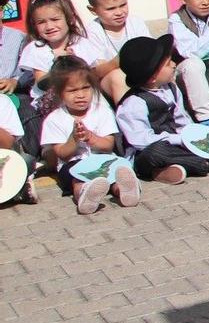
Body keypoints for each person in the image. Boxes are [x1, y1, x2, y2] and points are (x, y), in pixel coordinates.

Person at [113, 35, 209, 184]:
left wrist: (191, 136)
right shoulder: (133, 104)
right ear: (152, 77)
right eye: (168, 64)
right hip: (146, 151)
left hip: (174, 143)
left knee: (204, 140)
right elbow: (141, 141)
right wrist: (176, 139)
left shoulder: (171, 88)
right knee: (155, 153)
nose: (174, 64)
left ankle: (174, 168)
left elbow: (182, 118)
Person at [37, 55, 139, 215]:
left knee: (114, 173)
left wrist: (91, 138)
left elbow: (108, 145)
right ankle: (85, 196)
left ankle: (124, 190)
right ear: (59, 93)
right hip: (73, 164)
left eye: (85, 88)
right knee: (78, 180)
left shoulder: (102, 111)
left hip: (102, 159)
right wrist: (74, 139)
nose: (80, 95)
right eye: (72, 90)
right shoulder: (54, 119)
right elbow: (61, 154)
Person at [18, 0, 118, 101]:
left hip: (84, 99)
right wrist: (60, 65)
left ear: (70, 18)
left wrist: (115, 62)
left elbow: (96, 71)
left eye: (55, 19)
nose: (49, 26)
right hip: (52, 102)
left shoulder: (81, 43)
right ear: (34, 25)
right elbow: (42, 83)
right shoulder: (36, 48)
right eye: (41, 22)